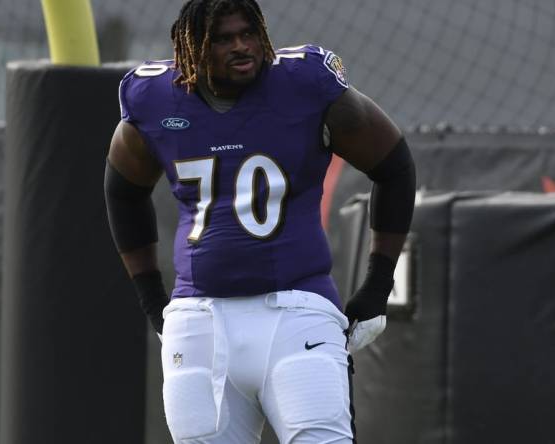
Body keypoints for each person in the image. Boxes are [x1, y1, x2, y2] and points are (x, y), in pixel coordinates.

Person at [104, 0, 415, 442]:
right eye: (224, 39)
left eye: (248, 33)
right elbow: (123, 190)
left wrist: (379, 284)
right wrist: (152, 299)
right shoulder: (154, 99)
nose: (242, 47)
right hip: (200, 322)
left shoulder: (304, 84)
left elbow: (394, 164)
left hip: (297, 313)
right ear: (192, 47)